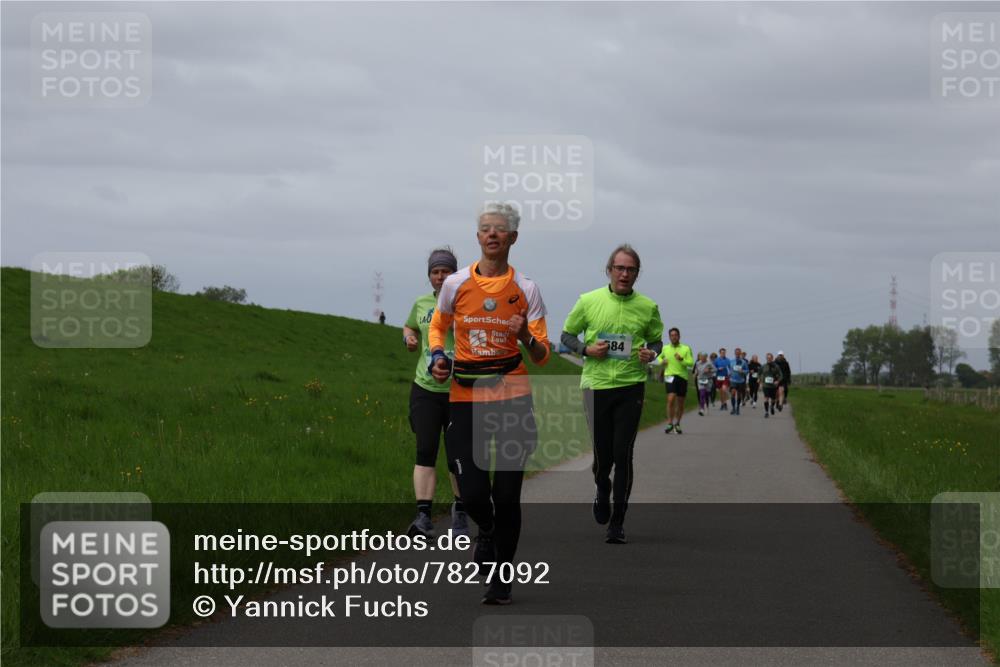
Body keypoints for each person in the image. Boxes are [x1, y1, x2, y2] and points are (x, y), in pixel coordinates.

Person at [428, 203, 550, 605]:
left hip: (513, 396)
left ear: (513, 237)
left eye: (501, 229)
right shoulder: (455, 284)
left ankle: (502, 577)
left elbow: (543, 354)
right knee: (476, 492)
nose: (492, 235)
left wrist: (526, 338)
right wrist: (438, 356)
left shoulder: (527, 289)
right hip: (465, 397)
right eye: (485, 229)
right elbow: (438, 325)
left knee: (508, 493)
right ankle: (488, 530)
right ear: (477, 237)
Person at [561, 244, 663, 545]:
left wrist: (650, 353)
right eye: (619, 268)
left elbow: (656, 341)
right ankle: (601, 487)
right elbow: (566, 335)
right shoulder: (588, 301)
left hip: (631, 386)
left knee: (623, 453)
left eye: (630, 269)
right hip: (596, 386)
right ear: (609, 270)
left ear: (637, 273)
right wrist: (586, 349)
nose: (625, 274)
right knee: (603, 456)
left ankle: (617, 523)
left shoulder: (648, 306)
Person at [402, 247, 468, 539]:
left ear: (455, 274)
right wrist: (409, 336)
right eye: (435, 272)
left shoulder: (466, 303)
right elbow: (408, 325)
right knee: (425, 450)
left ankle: (460, 513)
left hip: (458, 391)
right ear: (429, 275)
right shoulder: (420, 303)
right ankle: (423, 517)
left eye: (446, 271)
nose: (440, 277)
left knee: (457, 457)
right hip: (426, 389)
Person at [652, 327, 693, 434]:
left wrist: (682, 359)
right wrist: (662, 361)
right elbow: (659, 358)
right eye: (672, 335)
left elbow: (691, 363)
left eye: (675, 335)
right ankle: (670, 423)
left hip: (682, 377)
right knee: (671, 398)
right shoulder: (665, 348)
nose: (674, 337)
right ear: (669, 337)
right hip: (669, 376)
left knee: (680, 403)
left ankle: (677, 423)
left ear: (679, 336)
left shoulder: (686, 348)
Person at [760, 353, 784, 418]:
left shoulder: (776, 366)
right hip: (766, 385)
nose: (769, 359)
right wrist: (760, 381)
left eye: (770, 358)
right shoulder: (763, 366)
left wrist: (777, 381)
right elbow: (759, 373)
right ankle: (766, 412)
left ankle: (772, 406)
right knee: (766, 398)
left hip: (773, 386)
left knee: (773, 399)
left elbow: (781, 375)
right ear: (766, 359)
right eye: (768, 358)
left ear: (772, 359)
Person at [729, 347, 748, 415]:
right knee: (733, 393)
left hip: (740, 380)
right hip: (733, 380)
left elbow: (747, 371)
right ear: (734, 353)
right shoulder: (731, 361)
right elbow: (729, 369)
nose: (737, 354)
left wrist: (742, 371)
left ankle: (738, 408)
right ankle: (733, 408)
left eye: (738, 353)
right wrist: (729, 373)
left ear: (740, 353)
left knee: (739, 395)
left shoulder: (744, 362)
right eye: (736, 353)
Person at [714, 348, 732, 412]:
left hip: (725, 377)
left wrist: (730, 373)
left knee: (724, 389)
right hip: (718, 377)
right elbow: (713, 368)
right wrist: (718, 369)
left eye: (724, 353)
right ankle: (723, 404)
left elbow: (730, 368)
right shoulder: (716, 360)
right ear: (720, 353)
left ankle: (725, 403)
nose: (723, 354)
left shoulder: (728, 360)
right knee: (721, 392)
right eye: (722, 353)